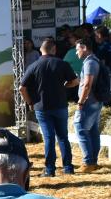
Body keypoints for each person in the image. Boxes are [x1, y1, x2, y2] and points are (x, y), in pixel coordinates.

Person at [20, 39, 80, 177]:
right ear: (54, 49)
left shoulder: (34, 66)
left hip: (42, 107)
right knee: (63, 137)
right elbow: (75, 81)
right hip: (60, 105)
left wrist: (29, 102)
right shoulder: (62, 64)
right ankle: (68, 168)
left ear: (41, 50)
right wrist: (65, 86)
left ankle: (49, 170)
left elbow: (22, 88)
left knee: (49, 138)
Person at [73, 36, 107, 172]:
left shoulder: (90, 63)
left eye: (77, 49)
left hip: (89, 102)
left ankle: (88, 162)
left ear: (84, 48)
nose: (76, 52)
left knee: (80, 127)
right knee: (92, 131)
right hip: (95, 101)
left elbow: (87, 84)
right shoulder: (94, 60)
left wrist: (81, 102)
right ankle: (93, 162)